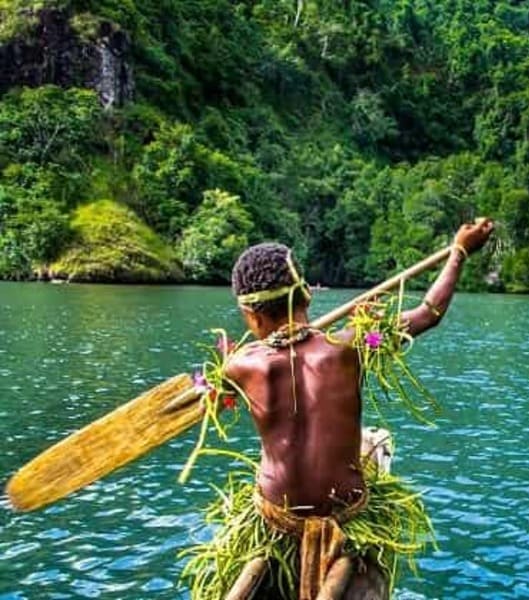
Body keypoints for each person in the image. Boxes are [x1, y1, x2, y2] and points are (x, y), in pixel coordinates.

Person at [184, 219, 493, 600]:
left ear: (252, 317)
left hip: (276, 519)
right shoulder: (350, 347)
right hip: (347, 513)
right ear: (308, 296)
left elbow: (213, 386)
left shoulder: (240, 365)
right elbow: (429, 312)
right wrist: (459, 251)